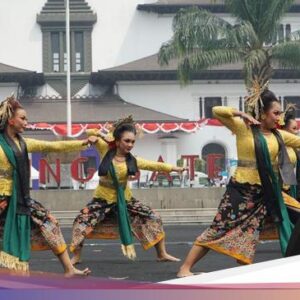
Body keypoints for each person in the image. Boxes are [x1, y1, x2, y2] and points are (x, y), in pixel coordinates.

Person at [177, 83, 300, 277]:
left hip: (268, 192)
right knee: (218, 229)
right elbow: (217, 111)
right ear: (262, 112)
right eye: (276, 113)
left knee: (261, 230)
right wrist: (241, 114)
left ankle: (292, 261)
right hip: (241, 191)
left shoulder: (280, 136)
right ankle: (185, 268)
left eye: (280, 113)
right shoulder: (244, 128)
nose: (279, 118)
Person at [0, 95, 96, 276]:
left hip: (20, 200)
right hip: (2, 200)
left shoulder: (24, 143)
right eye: (23, 118)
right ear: (10, 121)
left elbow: (54, 146)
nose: (26, 122)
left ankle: (69, 269)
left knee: (50, 222)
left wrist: (82, 142)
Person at [70, 116, 185, 264]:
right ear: (117, 141)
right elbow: (89, 131)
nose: (130, 144)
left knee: (154, 217)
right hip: (102, 199)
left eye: (132, 141)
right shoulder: (105, 149)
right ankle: (77, 257)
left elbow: (154, 165)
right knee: (81, 220)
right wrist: (102, 136)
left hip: (125, 199)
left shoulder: (133, 160)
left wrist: (175, 168)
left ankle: (161, 253)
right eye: (126, 141)